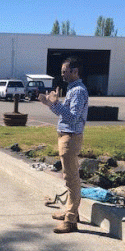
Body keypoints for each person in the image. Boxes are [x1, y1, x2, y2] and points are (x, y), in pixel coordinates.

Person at [38, 57, 89, 234]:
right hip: (66, 136)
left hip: (70, 137)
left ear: (75, 71)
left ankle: (70, 220)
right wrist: (50, 104)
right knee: (70, 177)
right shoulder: (73, 89)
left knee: (71, 178)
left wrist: (55, 104)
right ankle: (71, 212)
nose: (62, 74)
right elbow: (66, 114)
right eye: (62, 71)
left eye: (65, 70)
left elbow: (73, 117)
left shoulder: (78, 91)